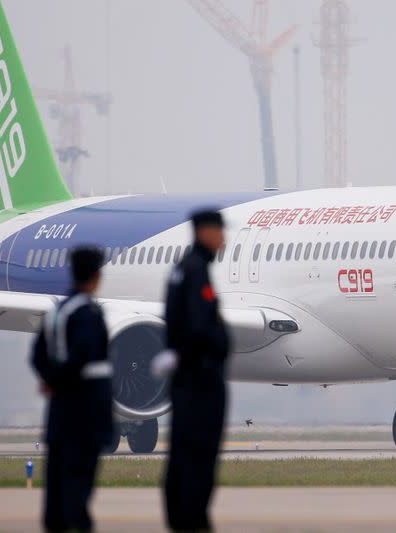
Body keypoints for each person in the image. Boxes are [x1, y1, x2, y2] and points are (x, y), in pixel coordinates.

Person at [30, 246, 114, 533]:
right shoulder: (88, 313)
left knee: (56, 483)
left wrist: (51, 381)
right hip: (85, 413)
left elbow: (38, 355)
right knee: (79, 486)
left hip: (59, 414)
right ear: (96, 276)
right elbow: (82, 357)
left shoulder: (57, 312)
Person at [158, 209, 231, 532]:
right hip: (199, 381)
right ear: (205, 233)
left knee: (184, 457)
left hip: (188, 379)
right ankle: (193, 520)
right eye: (219, 232)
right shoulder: (195, 272)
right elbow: (199, 328)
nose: (223, 239)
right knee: (198, 458)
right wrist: (218, 345)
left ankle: (183, 518)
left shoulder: (183, 271)